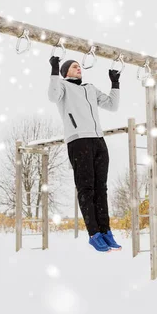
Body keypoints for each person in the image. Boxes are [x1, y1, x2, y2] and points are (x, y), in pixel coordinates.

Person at [47, 55, 122, 252]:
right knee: (86, 189)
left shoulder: (90, 88)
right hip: (78, 140)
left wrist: (115, 83)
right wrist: (54, 70)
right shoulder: (62, 86)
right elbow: (53, 96)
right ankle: (94, 233)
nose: (78, 68)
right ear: (65, 72)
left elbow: (112, 106)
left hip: (98, 141)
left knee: (101, 189)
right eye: (73, 66)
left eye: (79, 65)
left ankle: (106, 232)